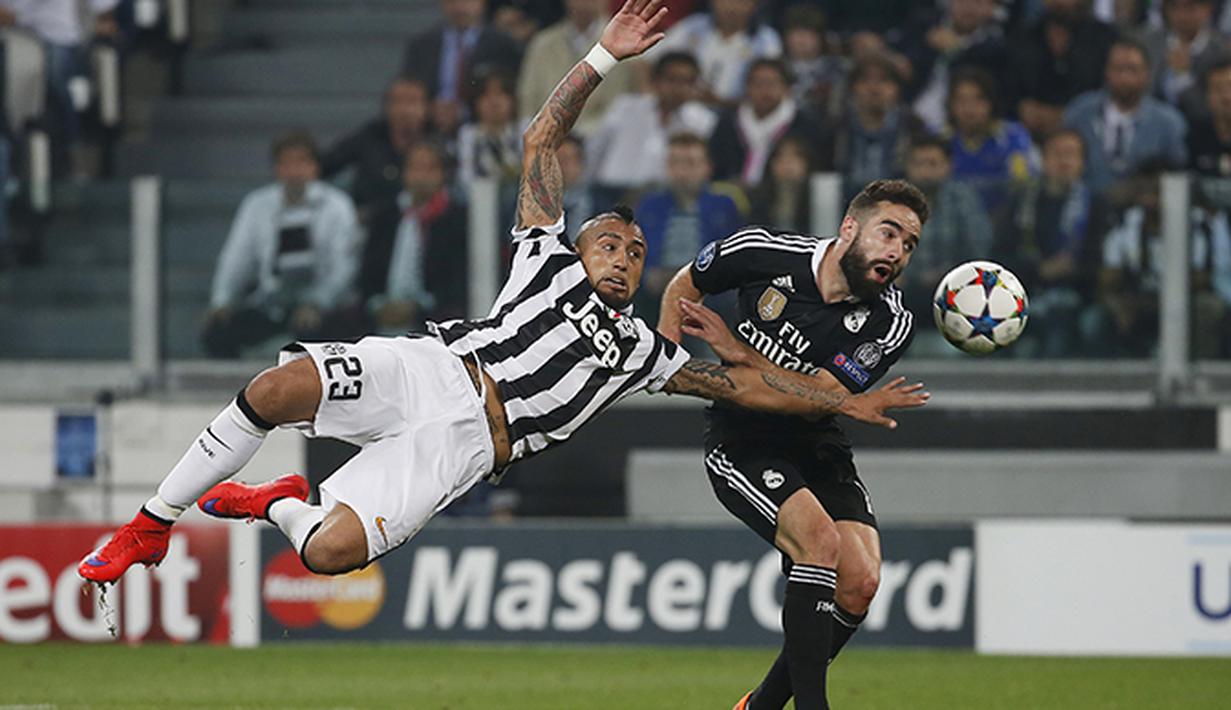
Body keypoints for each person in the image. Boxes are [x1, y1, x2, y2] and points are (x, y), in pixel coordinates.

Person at [79, 0, 927, 590]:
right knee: (271, 392)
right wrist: (599, 58)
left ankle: (282, 504)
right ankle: (150, 522)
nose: (623, 256)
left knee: (329, 556)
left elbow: (739, 384)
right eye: (608, 241)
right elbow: (540, 138)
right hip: (431, 371)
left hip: (467, 449)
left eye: (635, 252)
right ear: (578, 244)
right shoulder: (540, 254)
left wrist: (829, 400)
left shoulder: (642, 354)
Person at [658, 177, 930, 710]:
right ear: (849, 227)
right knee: (820, 545)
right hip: (742, 439)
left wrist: (738, 351)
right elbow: (683, 285)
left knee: (860, 582)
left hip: (815, 439)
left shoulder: (890, 322)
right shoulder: (760, 252)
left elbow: (814, 401)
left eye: (909, 244)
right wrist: (661, 361)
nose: (896, 252)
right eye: (889, 233)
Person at [201, 132, 362, 359]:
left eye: (301, 162)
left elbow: (345, 267)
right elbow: (236, 259)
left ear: (315, 167)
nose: (294, 171)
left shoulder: (337, 206)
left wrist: (317, 302)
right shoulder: (257, 205)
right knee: (218, 332)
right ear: (276, 169)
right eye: (287, 163)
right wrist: (222, 300)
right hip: (271, 304)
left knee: (332, 331)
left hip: (324, 308)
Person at [362, 142, 469, 333]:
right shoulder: (385, 216)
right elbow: (367, 272)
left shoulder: (456, 219)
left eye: (430, 169)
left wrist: (418, 307)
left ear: (443, 174)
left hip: (432, 318)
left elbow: (457, 280)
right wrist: (377, 305)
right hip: (381, 314)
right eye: (415, 168)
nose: (422, 176)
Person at [1062, 36, 1188, 194]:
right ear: (1106, 72)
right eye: (1118, 69)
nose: (1124, 77)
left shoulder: (1170, 123)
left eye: (1132, 69)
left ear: (1147, 74)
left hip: (1145, 210)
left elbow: (1177, 178)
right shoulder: (1079, 113)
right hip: (1086, 208)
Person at [635, 132, 742, 316]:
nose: (682, 173)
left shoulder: (725, 206)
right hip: (654, 299)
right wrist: (646, 277)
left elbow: (734, 263)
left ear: (707, 168)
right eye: (675, 163)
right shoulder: (648, 205)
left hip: (709, 300)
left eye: (691, 164)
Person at [586, 50, 716, 198]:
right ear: (655, 81)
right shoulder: (626, 108)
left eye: (686, 81)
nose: (678, 88)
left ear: (695, 86)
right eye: (671, 79)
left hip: (666, 198)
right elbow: (596, 150)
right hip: (613, 190)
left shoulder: (704, 121)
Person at [320, 75, 433, 224]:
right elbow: (321, 166)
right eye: (397, 101)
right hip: (367, 226)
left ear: (427, 108)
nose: (404, 110)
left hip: (421, 224)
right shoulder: (369, 136)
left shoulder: (435, 142)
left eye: (412, 102)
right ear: (386, 107)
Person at [516, 0, 633, 136]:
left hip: (603, 142)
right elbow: (527, 102)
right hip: (547, 139)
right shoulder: (542, 44)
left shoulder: (619, 43)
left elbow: (619, 109)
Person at [708, 58, 821, 187]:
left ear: (787, 88)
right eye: (758, 84)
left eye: (772, 83)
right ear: (747, 87)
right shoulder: (729, 122)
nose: (764, 90)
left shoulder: (806, 124)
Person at [945, 66, 1037, 214]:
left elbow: (1024, 186)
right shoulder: (940, 140)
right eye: (961, 100)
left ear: (991, 102)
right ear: (951, 105)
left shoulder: (1013, 137)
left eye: (978, 99)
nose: (970, 108)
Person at [653, 0, 782, 105]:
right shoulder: (692, 27)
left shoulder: (766, 41)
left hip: (734, 118)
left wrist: (720, 102)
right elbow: (645, 61)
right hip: (684, 110)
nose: (731, 7)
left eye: (740, 2)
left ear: (754, 5)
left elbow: (770, 89)